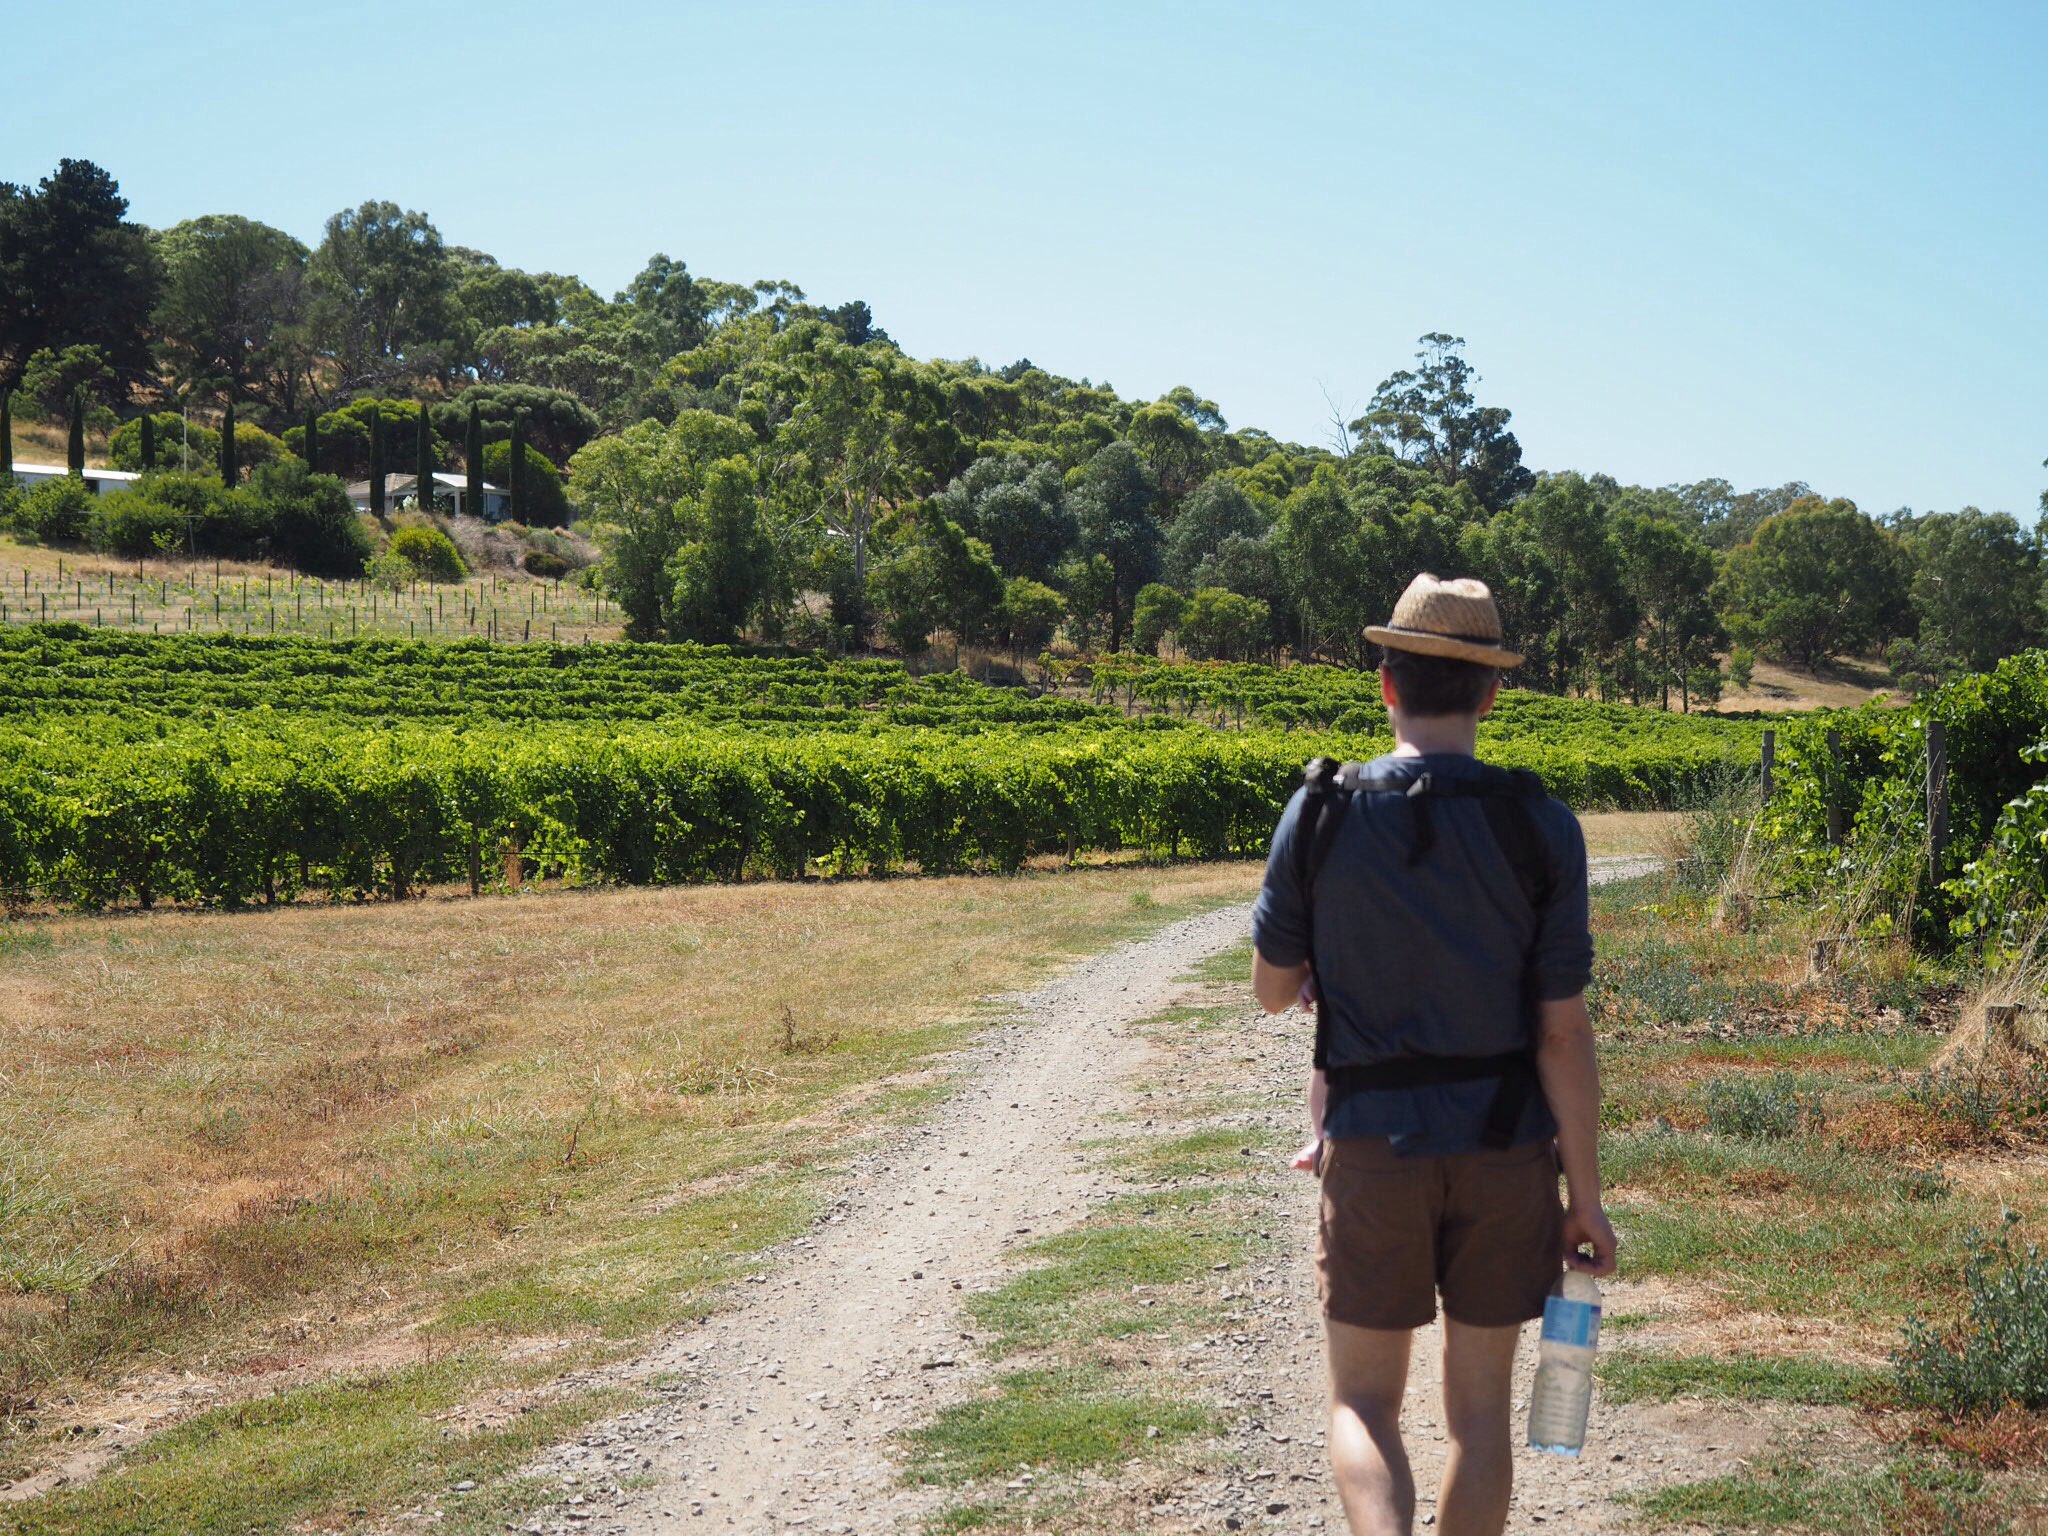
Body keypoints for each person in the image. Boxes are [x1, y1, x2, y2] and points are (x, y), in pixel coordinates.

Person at [1250, 573, 1618, 1536]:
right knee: (1480, 1415)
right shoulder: (1542, 825)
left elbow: (1272, 988)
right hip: (1504, 1153)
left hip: (1373, 1147)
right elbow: (1563, 1031)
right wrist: (1583, 1194)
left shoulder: (1321, 811)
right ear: (1492, 693)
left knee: (1361, 1404)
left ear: (1386, 685)